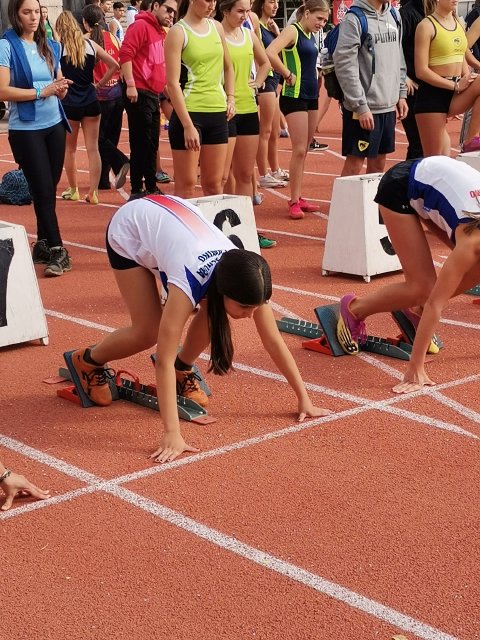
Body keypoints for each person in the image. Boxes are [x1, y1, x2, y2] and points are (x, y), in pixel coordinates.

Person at [67, 194, 332, 463]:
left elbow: (273, 340)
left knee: (213, 312)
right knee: (148, 331)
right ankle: (88, 360)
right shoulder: (187, 283)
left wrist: (304, 399)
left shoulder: (247, 276)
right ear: (225, 289)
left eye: (255, 307)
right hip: (130, 230)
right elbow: (163, 360)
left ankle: (183, 370)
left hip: (173, 228)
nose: (250, 315)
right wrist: (172, 432)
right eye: (244, 307)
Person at [335, 156, 480, 394]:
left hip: (435, 184)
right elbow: (436, 303)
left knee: (470, 272)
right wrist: (415, 368)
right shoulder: (471, 244)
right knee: (423, 289)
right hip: (400, 186)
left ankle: (413, 309)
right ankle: (353, 309)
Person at [0, 0, 72, 277]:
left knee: (48, 191)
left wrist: (61, 89)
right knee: (42, 190)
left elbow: (58, 82)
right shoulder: (6, 46)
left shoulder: (50, 45)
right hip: (26, 129)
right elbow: (3, 91)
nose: (34, 17)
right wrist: (42, 91)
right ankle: (57, 249)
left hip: (55, 125)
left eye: (37, 12)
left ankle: (42, 244)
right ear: (15, 14)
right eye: (26, 12)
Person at [165, 0, 235, 199]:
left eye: (214, 0)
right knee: (186, 187)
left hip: (217, 114)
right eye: (207, 0)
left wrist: (231, 98)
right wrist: (188, 125)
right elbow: (172, 84)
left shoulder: (217, 27)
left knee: (214, 185)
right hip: (190, 114)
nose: (212, 5)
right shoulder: (178, 32)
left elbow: (228, 67)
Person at [266, 0, 329, 219]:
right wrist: (286, 74)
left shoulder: (311, 35)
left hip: (311, 97)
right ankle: (293, 201)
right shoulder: (293, 31)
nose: (322, 24)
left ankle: (299, 196)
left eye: (325, 21)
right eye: (319, 18)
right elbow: (270, 52)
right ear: (307, 13)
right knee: (299, 149)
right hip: (294, 97)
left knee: (305, 150)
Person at [333, 0, 408, 177]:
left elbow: (399, 56)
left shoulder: (394, 15)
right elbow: (345, 65)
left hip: (387, 105)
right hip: (364, 107)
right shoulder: (354, 19)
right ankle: (346, 198)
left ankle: (372, 197)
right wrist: (360, 105)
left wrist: (401, 93)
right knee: (355, 164)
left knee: (379, 163)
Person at [56, 11, 118, 205]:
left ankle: (73, 189)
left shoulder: (58, 48)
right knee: (93, 149)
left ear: (60, 29)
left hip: (70, 103)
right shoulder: (91, 45)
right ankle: (93, 192)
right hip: (91, 101)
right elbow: (114, 65)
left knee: (70, 149)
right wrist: (98, 85)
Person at [120, 0, 175, 200]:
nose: (171, 15)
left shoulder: (160, 32)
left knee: (151, 143)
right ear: (155, 6)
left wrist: (169, 93)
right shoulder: (140, 26)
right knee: (141, 143)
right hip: (139, 92)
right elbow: (125, 54)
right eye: (168, 10)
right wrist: (131, 84)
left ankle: (150, 186)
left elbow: (159, 65)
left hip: (152, 93)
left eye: (174, 12)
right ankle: (137, 188)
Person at [414, 0, 480, 156]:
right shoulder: (426, 26)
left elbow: (461, 55)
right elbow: (421, 71)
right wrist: (455, 86)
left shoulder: (458, 23)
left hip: (454, 92)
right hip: (432, 97)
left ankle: (471, 139)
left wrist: (467, 77)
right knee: (436, 159)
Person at [83, 5, 130, 192]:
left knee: (98, 140)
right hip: (116, 94)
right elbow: (121, 62)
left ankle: (120, 161)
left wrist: (99, 84)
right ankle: (103, 179)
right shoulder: (113, 37)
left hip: (98, 95)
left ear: (85, 22)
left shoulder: (85, 40)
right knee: (110, 137)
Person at [251, 0, 288, 189]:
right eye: (271, 1)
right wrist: (259, 76)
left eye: (277, 2)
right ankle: (263, 174)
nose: (276, 5)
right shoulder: (255, 23)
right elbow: (255, 52)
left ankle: (275, 169)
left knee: (274, 131)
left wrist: (277, 33)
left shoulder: (270, 27)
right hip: (265, 80)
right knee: (264, 131)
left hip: (274, 81)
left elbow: (280, 53)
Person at [399, 0, 424, 159]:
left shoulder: (434, 12)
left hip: (429, 87)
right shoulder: (407, 14)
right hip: (412, 88)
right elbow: (394, 47)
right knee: (418, 143)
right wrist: (404, 76)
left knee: (428, 144)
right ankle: (410, 174)